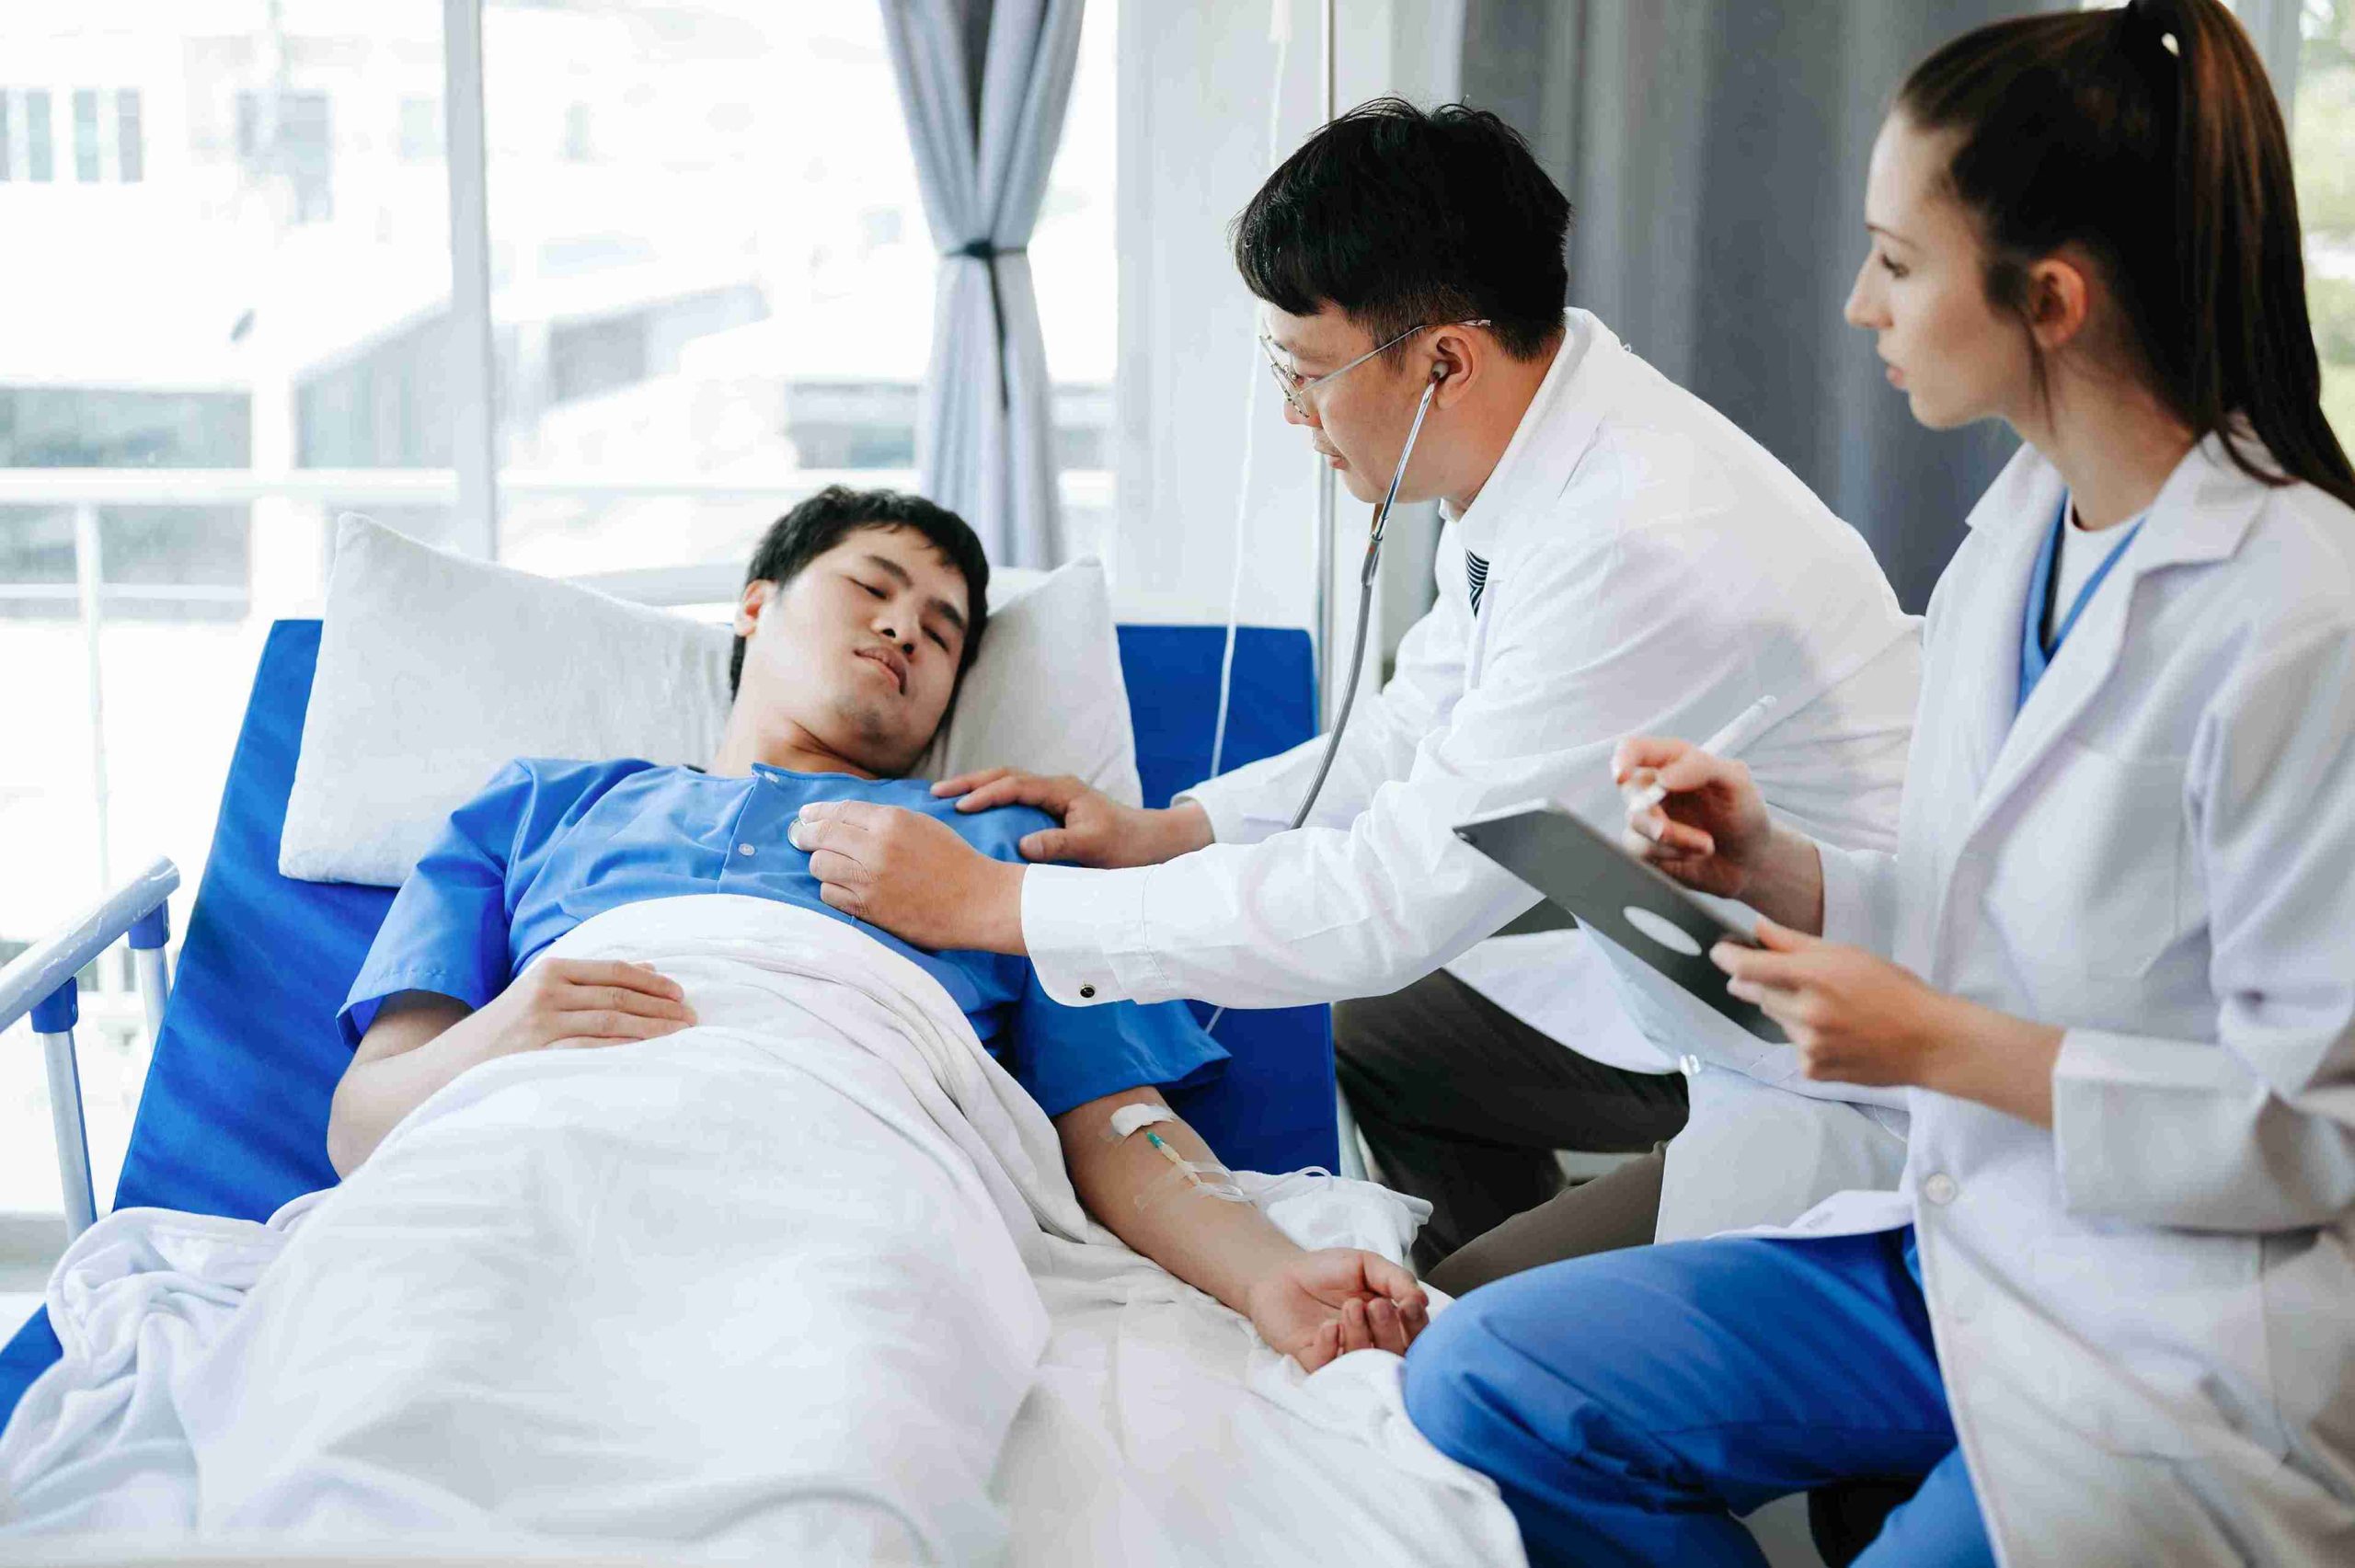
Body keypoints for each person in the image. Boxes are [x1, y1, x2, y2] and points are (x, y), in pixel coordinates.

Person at [1402, 3, 2355, 1562]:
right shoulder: (2015, 544)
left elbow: (2315, 1129)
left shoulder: (2304, 611)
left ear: (2049, 298)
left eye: (1898, 262)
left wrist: (1940, 1043)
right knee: (1481, 1382)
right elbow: (2001, 910)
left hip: (2174, 1330)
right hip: (1953, 1242)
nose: (1859, 305)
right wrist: (1780, 870)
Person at [795, 100, 1924, 1279]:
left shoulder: (1635, 539)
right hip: (1692, 972)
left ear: (1443, 360)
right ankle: (1507, 1283)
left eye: (1305, 374)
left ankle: (1513, 1325)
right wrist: (1172, 830)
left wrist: (995, 910)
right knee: (1373, 1039)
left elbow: (1389, 902)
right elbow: (1415, 721)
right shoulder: (1528, 435)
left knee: (1457, 1348)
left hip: (1839, 1051)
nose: (1293, 415)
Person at [330, 485, 1425, 1372]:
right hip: (533, 1152)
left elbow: (1119, 1125)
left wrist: (1268, 1272)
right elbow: (360, 1128)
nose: (906, 627)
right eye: (873, 586)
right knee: (411, 1355)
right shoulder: (538, 805)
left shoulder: (1007, 853)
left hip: (846, 1171)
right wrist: (510, 1028)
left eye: (944, 632)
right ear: (756, 603)